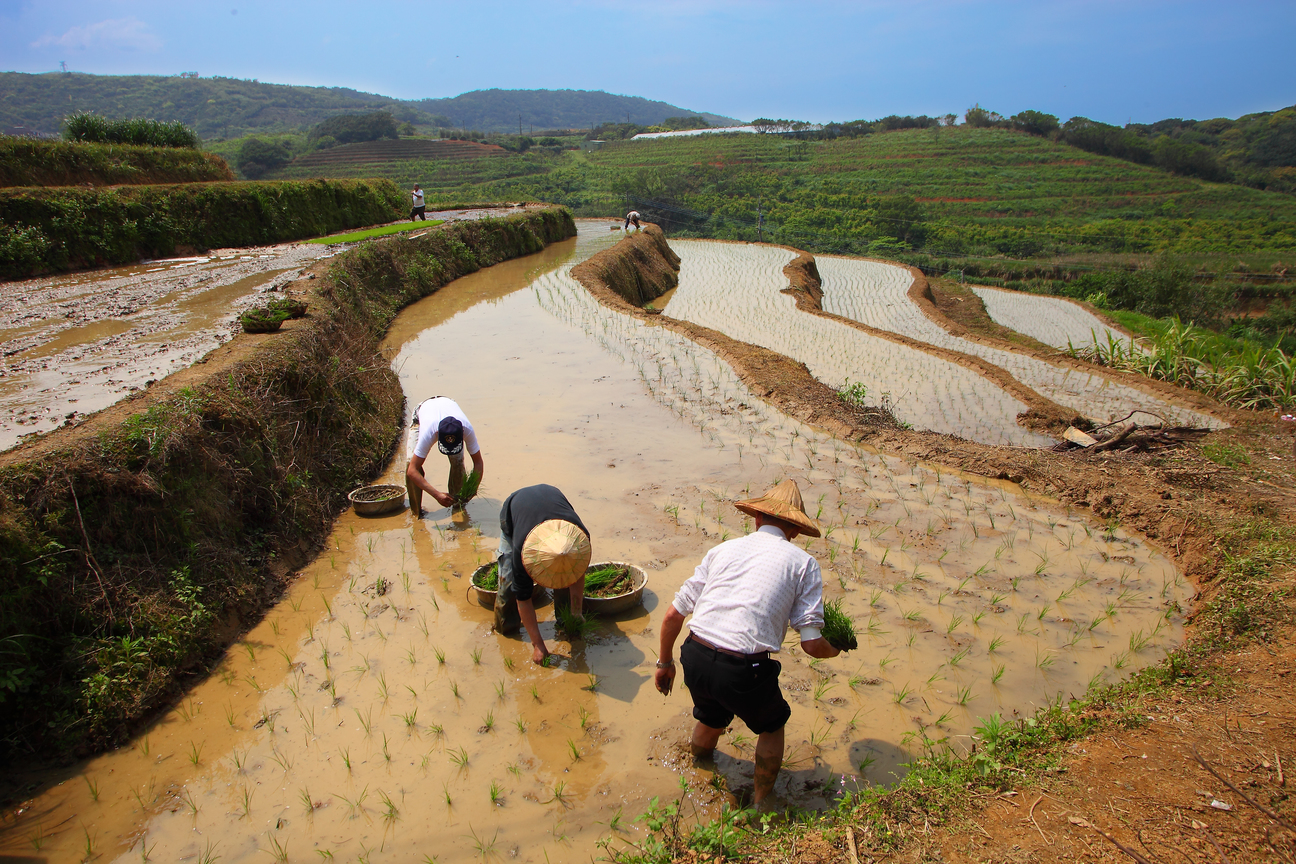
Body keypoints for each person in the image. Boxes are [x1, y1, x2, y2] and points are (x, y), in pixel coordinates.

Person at [654, 479, 839, 809]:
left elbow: (672, 616)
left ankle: (697, 771)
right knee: (772, 726)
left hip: (694, 654)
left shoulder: (722, 550)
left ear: (757, 518)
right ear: (795, 531)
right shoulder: (804, 564)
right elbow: (811, 644)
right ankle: (761, 804)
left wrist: (664, 664)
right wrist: (835, 648)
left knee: (711, 716)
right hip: (742, 668)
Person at [494, 484, 591, 664]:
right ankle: (504, 627)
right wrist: (538, 645)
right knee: (508, 584)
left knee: (565, 571)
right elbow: (522, 599)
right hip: (514, 511)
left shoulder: (579, 539)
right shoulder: (521, 551)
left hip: (551, 498)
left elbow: (577, 573)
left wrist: (577, 612)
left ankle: (565, 621)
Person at [405, 397, 484, 515]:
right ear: (437, 435)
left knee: (458, 462)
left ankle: (457, 504)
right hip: (421, 413)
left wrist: (473, 488)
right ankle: (416, 512)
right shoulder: (429, 432)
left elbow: (478, 462)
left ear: (462, 434)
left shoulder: (467, 429)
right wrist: (436, 495)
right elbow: (412, 470)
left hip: (448, 402)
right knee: (410, 462)